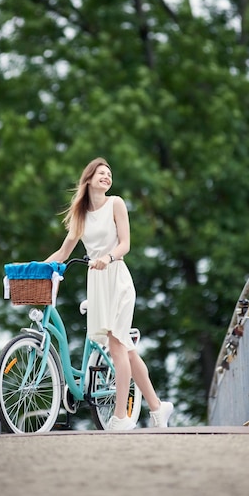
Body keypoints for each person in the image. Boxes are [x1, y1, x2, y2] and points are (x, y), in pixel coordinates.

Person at [45, 157, 174, 430]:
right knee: (126, 350)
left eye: (109, 173)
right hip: (97, 283)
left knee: (117, 345)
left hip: (117, 279)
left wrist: (108, 257)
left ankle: (120, 417)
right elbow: (64, 252)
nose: (107, 176)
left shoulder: (116, 203)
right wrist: (38, 268)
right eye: (101, 173)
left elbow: (125, 244)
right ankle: (158, 407)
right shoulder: (80, 216)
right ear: (89, 179)